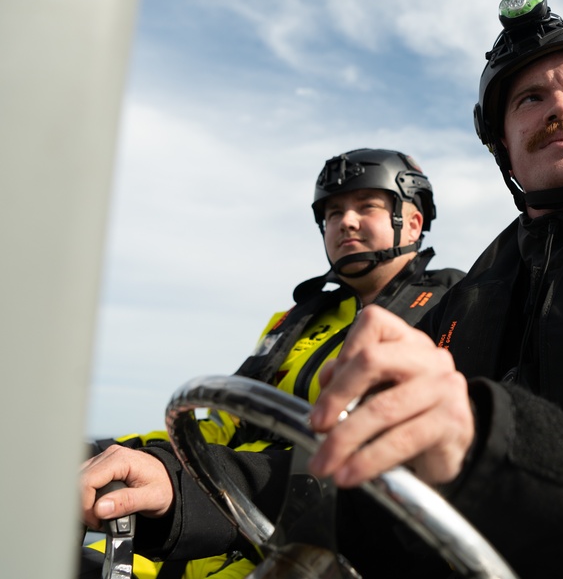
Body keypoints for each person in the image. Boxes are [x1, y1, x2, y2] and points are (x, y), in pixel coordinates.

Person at [81, 0, 563, 578]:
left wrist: (498, 447)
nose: (558, 110)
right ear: (506, 151)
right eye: (529, 100)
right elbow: (345, 474)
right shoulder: (457, 307)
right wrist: (182, 492)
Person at [81, 148, 463, 578]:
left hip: (311, 552)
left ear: (412, 222)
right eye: (334, 212)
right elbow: (223, 426)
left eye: (366, 206)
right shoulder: (295, 322)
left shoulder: (453, 312)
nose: (346, 222)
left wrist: (194, 495)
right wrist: (122, 452)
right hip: (207, 533)